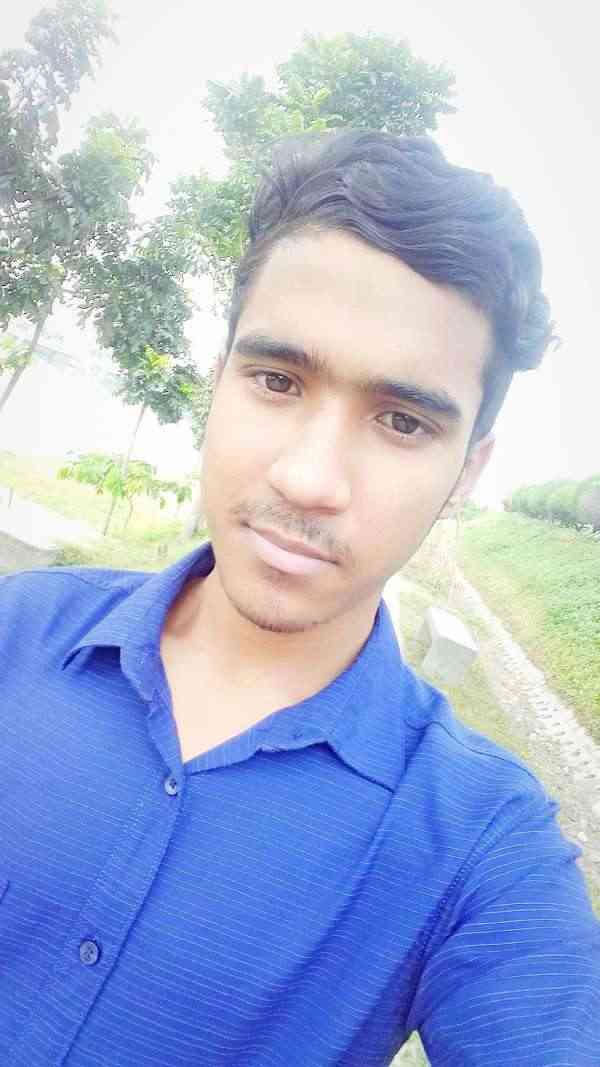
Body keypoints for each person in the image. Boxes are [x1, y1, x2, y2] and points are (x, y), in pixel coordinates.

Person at [1, 129, 598, 1067]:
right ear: (220, 379)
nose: (310, 478)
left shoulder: (479, 844)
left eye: (402, 421)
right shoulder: (19, 631)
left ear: (467, 471)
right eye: (277, 380)